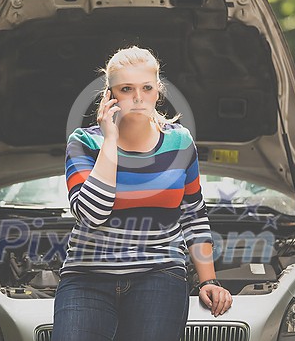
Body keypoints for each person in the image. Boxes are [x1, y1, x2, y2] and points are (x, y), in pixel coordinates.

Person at [52, 46, 232, 341]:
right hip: (87, 275)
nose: (137, 97)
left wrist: (208, 280)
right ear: (109, 95)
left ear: (158, 91)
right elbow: (92, 214)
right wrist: (110, 140)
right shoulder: (83, 142)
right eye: (126, 89)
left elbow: (193, 216)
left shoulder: (180, 142)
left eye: (146, 87)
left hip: (159, 272)